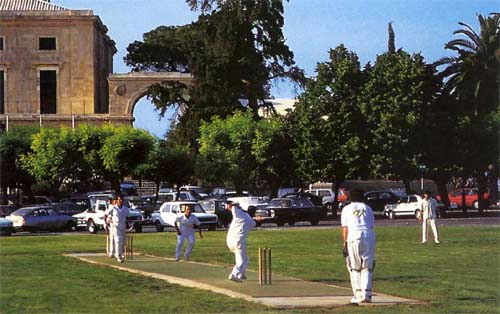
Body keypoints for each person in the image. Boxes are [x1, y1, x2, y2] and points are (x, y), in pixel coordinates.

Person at [341, 189, 375, 304]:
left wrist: (344, 244)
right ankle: (367, 294)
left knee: (355, 267)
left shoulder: (346, 209)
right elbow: (371, 226)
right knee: (367, 267)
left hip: (354, 236)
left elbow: (345, 228)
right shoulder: (368, 208)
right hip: (368, 236)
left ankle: (358, 294)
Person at [225, 200, 259, 282]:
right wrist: (259, 219)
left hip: (229, 241)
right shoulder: (250, 221)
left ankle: (241, 274)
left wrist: (233, 204)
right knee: (243, 260)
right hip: (239, 241)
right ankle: (234, 274)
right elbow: (254, 223)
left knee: (241, 258)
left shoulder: (238, 213)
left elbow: (231, 206)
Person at [106, 194, 130, 262]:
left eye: (121, 199)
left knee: (122, 241)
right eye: (119, 199)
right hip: (115, 226)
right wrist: (108, 221)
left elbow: (128, 216)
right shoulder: (113, 208)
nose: (120, 201)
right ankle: (118, 255)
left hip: (123, 225)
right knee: (118, 240)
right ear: (117, 200)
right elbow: (106, 215)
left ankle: (121, 253)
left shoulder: (125, 208)